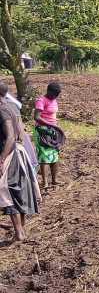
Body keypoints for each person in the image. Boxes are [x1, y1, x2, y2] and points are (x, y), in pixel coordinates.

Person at [0, 82, 41, 242]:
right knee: (18, 190)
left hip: (9, 154)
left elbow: (10, 136)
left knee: (8, 191)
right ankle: (21, 229)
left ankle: (19, 232)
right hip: (18, 152)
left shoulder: (2, 110)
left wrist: (2, 159)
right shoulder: (11, 106)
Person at [34, 82, 62, 189]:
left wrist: (55, 126)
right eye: (55, 94)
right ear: (48, 91)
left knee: (55, 155)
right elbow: (36, 117)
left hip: (53, 130)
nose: (56, 96)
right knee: (44, 156)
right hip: (42, 131)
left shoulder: (53, 100)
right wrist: (50, 124)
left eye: (57, 94)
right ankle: (45, 182)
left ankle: (55, 180)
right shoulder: (41, 100)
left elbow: (52, 115)